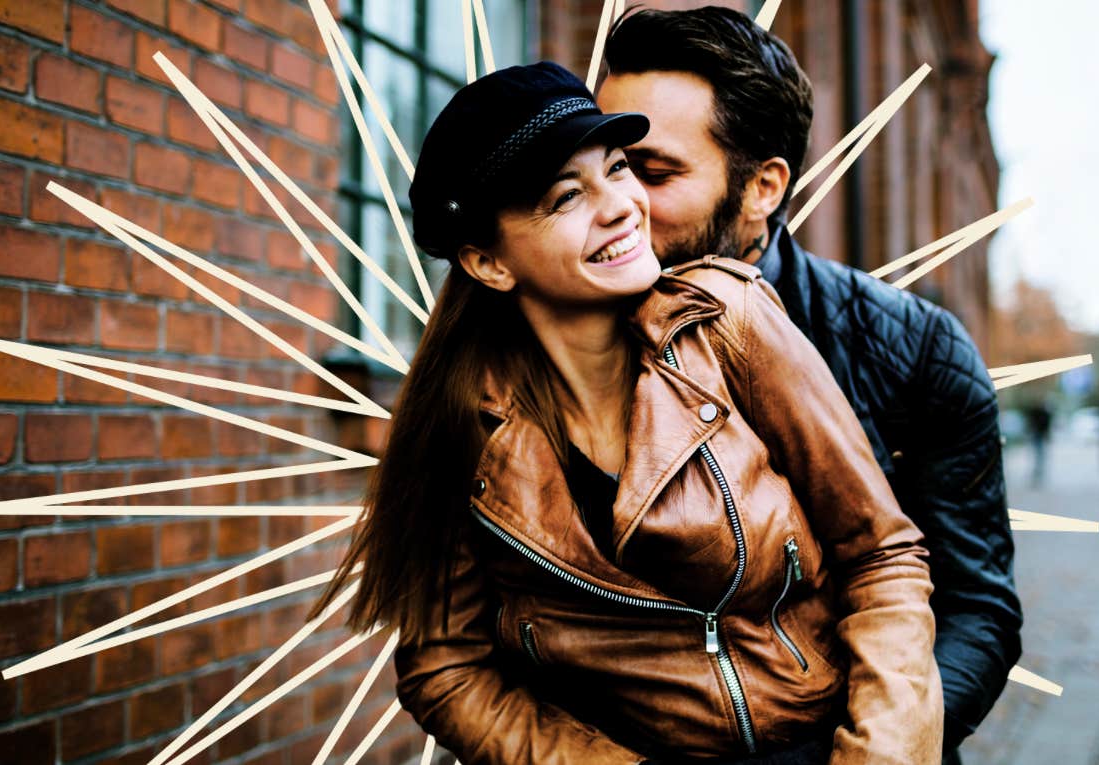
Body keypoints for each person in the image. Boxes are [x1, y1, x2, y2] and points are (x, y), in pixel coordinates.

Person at [308, 61, 943, 764]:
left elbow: (881, 554)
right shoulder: (467, 428)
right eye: (566, 196)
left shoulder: (724, 319)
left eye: (618, 167)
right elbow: (443, 667)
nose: (619, 204)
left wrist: (878, 753)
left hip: (819, 743)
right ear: (489, 261)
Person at [597, 8, 1023, 763]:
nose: (618, 202)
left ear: (762, 187)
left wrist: (862, 747)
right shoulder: (557, 341)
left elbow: (976, 609)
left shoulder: (916, 352)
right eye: (607, 163)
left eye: (653, 172)